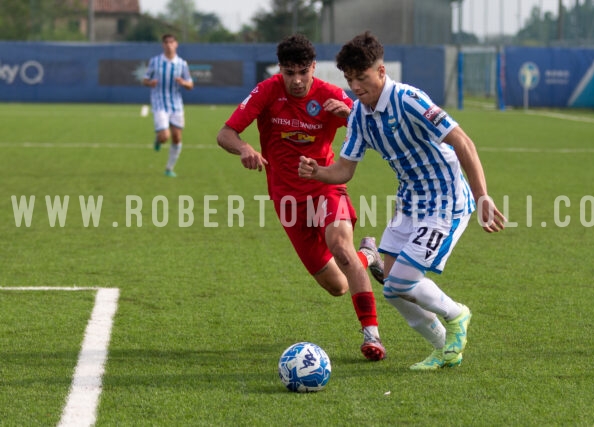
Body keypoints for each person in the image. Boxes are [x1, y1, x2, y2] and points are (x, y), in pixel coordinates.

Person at [299, 31, 505, 371]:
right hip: (409, 204)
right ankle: (446, 348)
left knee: (402, 281)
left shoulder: (409, 99)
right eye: (350, 80)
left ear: (381, 72)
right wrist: (316, 172)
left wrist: (482, 196)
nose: (356, 87)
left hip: (445, 200)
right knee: (393, 290)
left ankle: (457, 315)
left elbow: (463, 143)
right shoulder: (360, 116)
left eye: (362, 79)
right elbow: (345, 170)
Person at [216, 34, 386, 361]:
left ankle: (372, 335)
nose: (295, 80)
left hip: (325, 187)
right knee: (337, 285)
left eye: (302, 72)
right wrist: (245, 149)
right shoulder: (267, 91)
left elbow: (377, 132)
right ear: (280, 69)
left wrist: (350, 114)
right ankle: (369, 255)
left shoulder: (332, 95)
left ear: (313, 68)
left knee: (340, 247)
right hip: (288, 202)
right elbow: (226, 133)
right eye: (288, 72)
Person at [142, 33, 194, 178]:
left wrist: (184, 83)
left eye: (172, 42)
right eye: (166, 42)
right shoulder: (155, 61)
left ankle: (169, 168)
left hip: (176, 104)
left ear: (176, 44)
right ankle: (159, 139)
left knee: (177, 137)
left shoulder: (182, 64)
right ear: (162, 45)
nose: (169, 45)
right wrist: (150, 83)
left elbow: (190, 84)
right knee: (165, 136)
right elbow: (145, 79)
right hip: (159, 103)